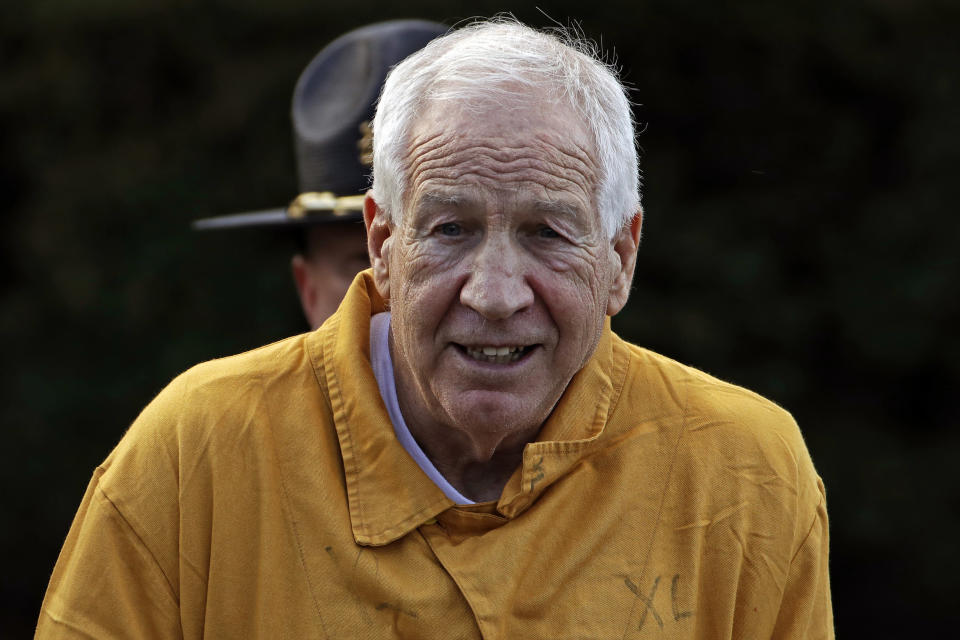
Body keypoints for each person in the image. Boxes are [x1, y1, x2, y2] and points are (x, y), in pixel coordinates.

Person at [36, 18, 833, 639]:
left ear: (620, 258)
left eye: (547, 233)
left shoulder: (744, 473)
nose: (492, 294)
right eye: (449, 228)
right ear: (383, 244)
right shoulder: (193, 455)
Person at [192, 20, 446, 329]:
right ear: (308, 290)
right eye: (365, 261)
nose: (401, 285)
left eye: (447, 235)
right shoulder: (236, 381)